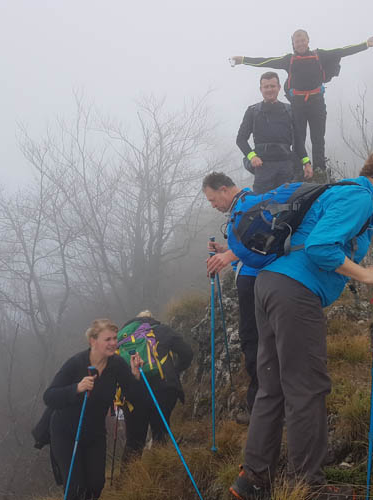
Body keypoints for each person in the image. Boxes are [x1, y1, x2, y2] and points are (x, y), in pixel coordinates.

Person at [228, 142, 373, 500]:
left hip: (269, 285)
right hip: (295, 292)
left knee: (273, 387)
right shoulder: (359, 198)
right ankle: (307, 487)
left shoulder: (343, 192)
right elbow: (320, 247)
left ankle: (253, 480)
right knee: (307, 388)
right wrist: (366, 274)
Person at [231, 30, 373, 172]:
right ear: (293, 43)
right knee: (299, 138)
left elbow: (341, 51)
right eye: (297, 41)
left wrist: (366, 44)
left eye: (303, 40)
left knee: (318, 138)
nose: (300, 44)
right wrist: (243, 60)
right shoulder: (289, 60)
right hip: (297, 105)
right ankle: (300, 170)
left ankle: (319, 170)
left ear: (308, 40)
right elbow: (266, 61)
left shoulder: (319, 55)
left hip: (317, 102)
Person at [44, 318, 144, 500]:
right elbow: (49, 396)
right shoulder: (76, 363)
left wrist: (135, 375)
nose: (113, 343)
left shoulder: (117, 364)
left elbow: (133, 396)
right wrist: (76, 388)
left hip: (94, 432)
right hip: (66, 433)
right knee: (75, 488)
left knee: (96, 484)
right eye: (108, 339)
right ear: (93, 341)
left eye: (115, 338)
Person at [202, 172, 260, 415]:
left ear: (224, 189)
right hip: (252, 283)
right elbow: (248, 247)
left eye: (213, 199)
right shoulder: (243, 206)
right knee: (252, 342)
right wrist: (226, 250)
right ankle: (260, 403)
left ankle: (260, 407)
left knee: (253, 342)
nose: (213, 205)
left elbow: (262, 244)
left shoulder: (249, 205)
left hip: (256, 285)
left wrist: (228, 255)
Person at [121, 310, 193, 462]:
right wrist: (175, 370)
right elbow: (187, 352)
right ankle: (159, 470)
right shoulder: (162, 330)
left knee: (134, 442)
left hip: (133, 395)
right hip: (163, 389)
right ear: (151, 319)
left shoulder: (121, 338)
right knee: (160, 432)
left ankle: (129, 476)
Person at [237, 71, 313, 193]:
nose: (269, 90)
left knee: (287, 202)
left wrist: (307, 163)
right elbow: (241, 139)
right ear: (261, 89)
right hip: (263, 168)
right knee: (262, 203)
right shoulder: (253, 111)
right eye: (266, 87)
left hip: (286, 167)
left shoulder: (290, 110)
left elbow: (298, 140)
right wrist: (252, 157)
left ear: (279, 87)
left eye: (272, 86)